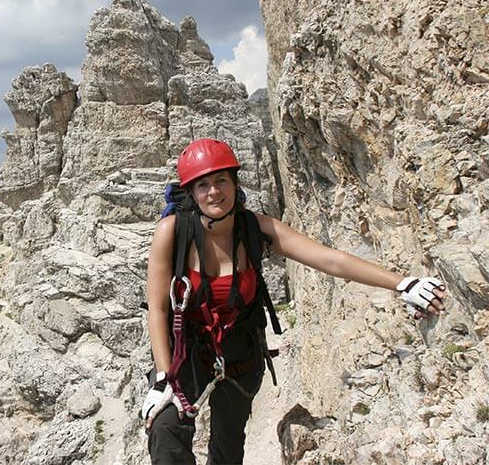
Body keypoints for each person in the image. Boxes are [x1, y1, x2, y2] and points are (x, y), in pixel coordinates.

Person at [141, 138, 446, 465]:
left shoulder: (255, 228)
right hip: (187, 353)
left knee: (227, 451)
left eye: (221, 181)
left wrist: (402, 283)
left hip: (240, 355)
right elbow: (158, 308)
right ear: (191, 193)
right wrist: (163, 378)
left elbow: (331, 261)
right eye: (203, 185)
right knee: (164, 430)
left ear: (234, 183)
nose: (213, 192)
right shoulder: (173, 232)